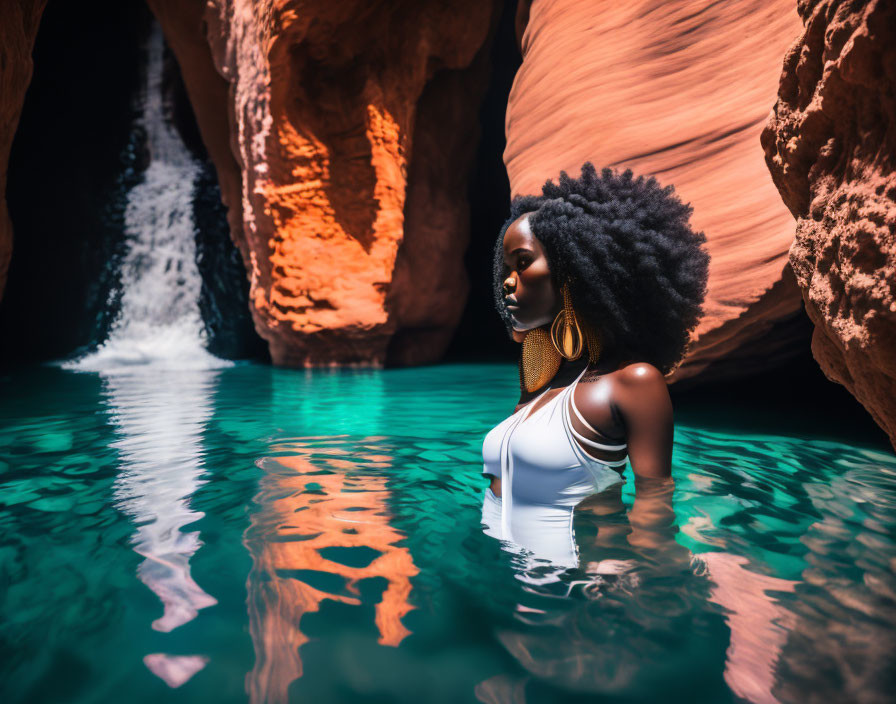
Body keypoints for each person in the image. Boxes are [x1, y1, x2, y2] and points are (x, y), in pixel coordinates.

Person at [480, 162, 710, 574]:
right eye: (505, 269)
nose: (508, 282)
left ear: (573, 272)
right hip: (509, 586)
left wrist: (651, 593)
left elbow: (654, 503)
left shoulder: (633, 382)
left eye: (522, 263)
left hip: (581, 590)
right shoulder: (538, 387)